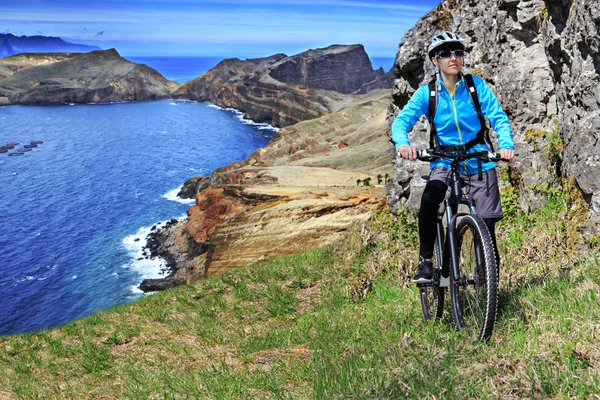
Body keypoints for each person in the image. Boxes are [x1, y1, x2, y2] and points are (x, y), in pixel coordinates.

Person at [391, 31, 515, 283]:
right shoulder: (428, 93)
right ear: (435, 59)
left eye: (457, 52)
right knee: (429, 199)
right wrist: (403, 144)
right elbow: (402, 121)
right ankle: (425, 262)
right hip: (443, 160)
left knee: (487, 227)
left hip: (478, 158)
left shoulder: (475, 86)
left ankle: (488, 285)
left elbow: (498, 117)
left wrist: (506, 145)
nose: (453, 58)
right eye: (446, 53)